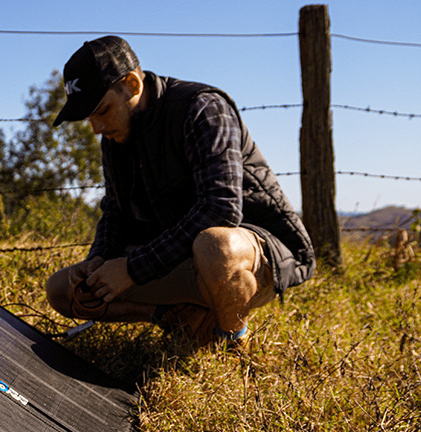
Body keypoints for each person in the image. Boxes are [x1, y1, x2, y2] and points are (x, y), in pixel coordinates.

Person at [46, 36, 315, 348]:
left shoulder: (202, 107)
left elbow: (222, 209)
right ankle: (183, 318)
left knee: (215, 245)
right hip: (178, 259)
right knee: (63, 290)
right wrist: (100, 258)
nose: (95, 127)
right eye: (89, 116)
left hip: (251, 253)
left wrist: (132, 269)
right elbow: (116, 209)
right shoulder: (115, 135)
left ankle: (233, 341)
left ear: (132, 84)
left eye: (102, 110)